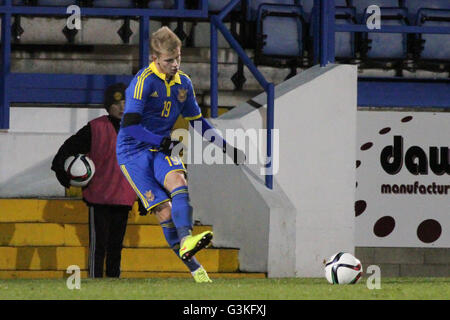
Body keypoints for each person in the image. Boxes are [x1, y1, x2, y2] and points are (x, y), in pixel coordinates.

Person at [116, 26, 245, 283]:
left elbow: (196, 121)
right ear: (154, 59)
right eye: (169, 60)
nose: (175, 64)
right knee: (164, 210)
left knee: (179, 183)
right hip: (133, 153)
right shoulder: (142, 83)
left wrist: (224, 146)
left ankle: (187, 239)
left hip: (162, 145)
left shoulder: (183, 83)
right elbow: (130, 125)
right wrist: (159, 140)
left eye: (178, 58)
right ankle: (197, 270)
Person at [51, 83, 136, 278]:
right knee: (99, 246)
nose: (122, 107)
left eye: (126, 102)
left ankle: (113, 282)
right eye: (117, 103)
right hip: (99, 199)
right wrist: (63, 174)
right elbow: (66, 150)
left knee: (116, 246)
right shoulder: (95, 128)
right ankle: (95, 280)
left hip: (124, 198)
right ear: (108, 106)